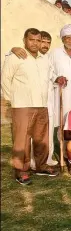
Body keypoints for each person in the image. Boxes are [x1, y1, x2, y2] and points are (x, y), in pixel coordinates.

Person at [1, 28, 58, 185]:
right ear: (24, 40)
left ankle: (40, 166)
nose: (35, 43)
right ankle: (21, 170)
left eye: (38, 40)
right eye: (31, 40)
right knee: (22, 140)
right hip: (22, 105)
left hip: (41, 104)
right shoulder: (16, 57)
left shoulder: (43, 59)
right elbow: (5, 80)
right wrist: (12, 102)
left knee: (41, 138)